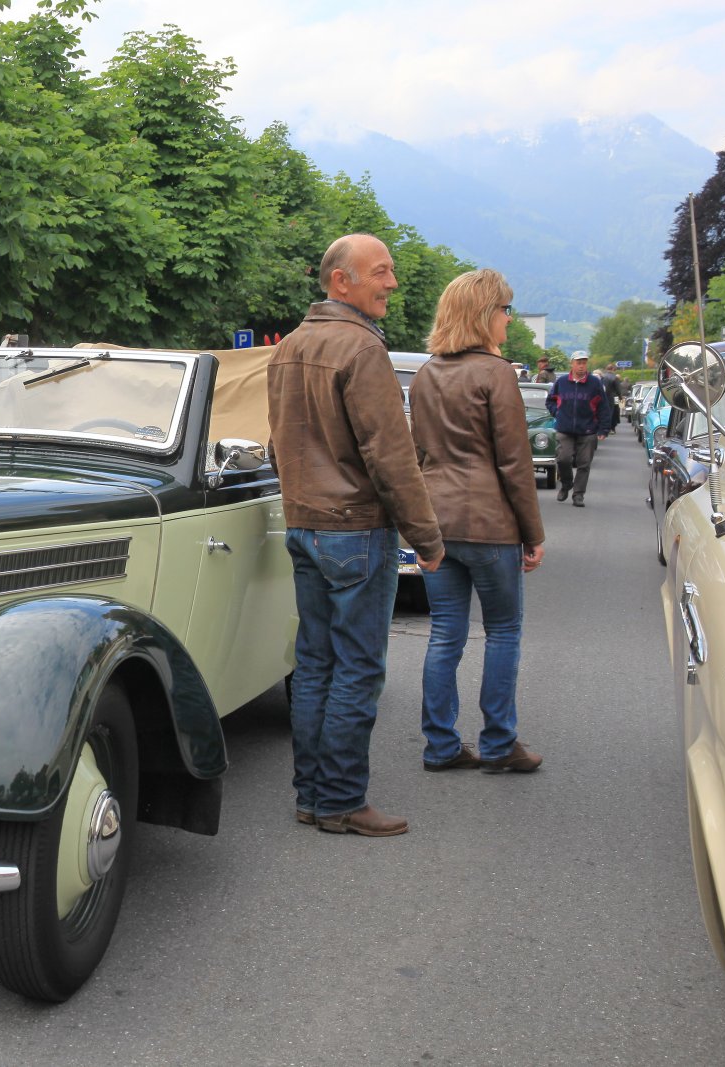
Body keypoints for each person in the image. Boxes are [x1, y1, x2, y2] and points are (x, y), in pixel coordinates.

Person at [267, 233, 444, 838]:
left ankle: (312, 797)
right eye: (381, 271)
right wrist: (426, 538)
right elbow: (391, 457)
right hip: (355, 530)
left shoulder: (290, 346)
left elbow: (278, 444)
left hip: (304, 524)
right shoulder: (363, 349)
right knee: (358, 669)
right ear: (341, 280)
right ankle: (341, 800)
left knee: (314, 664)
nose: (392, 282)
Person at [409, 269, 546, 777]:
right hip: (490, 524)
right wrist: (533, 534)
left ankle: (440, 745)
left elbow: (418, 453)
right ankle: (499, 743)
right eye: (505, 310)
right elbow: (514, 462)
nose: (509, 319)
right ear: (484, 314)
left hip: (438, 522)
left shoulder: (426, 374)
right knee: (503, 631)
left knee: (445, 633)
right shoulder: (497, 373)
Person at [545, 353, 610, 507]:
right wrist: (557, 413)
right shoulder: (561, 382)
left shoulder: (594, 383)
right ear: (572, 364)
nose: (581, 366)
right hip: (564, 428)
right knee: (563, 459)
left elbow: (603, 406)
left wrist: (603, 429)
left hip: (587, 429)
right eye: (578, 363)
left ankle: (578, 494)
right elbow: (550, 401)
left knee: (584, 463)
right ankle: (566, 483)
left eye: (584, 363)